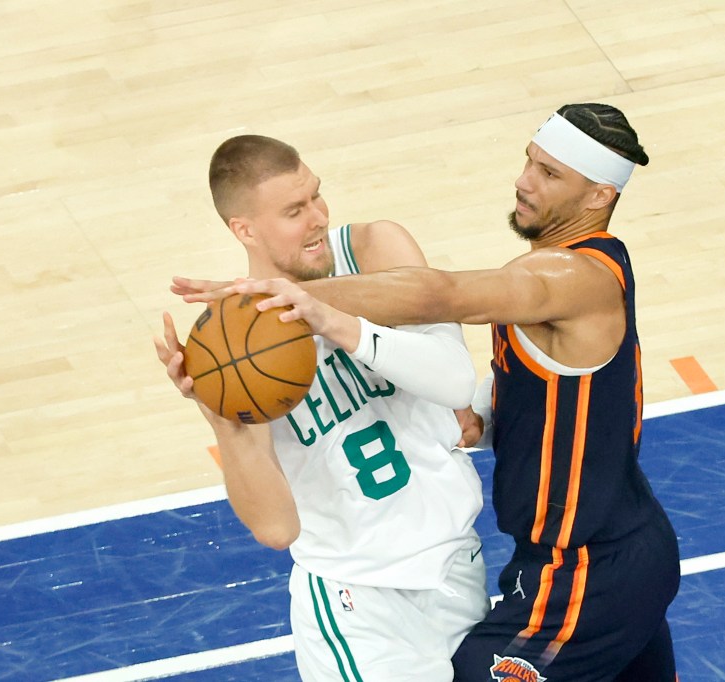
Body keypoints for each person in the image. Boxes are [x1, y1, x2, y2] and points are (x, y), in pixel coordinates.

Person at [175, 103, 681, 681]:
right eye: (529, 163)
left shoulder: (567, 278)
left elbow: (439, 295)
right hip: (567, 560)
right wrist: (479, 417)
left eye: (549, 174)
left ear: (597, 196)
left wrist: (299, 303)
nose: (523, 181)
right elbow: (551, 394)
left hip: (587, 568)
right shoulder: (544, 273)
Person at [154, 134, 490, 681]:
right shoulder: (237, 340)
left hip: (459, 566)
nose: (316, 218)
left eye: (315, 196)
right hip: (358, 604)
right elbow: (275, 528)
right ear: (245, 230)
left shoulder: (377, 249)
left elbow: (454, 381)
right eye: (293, 211)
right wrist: (220, 415)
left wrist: (326, 315)